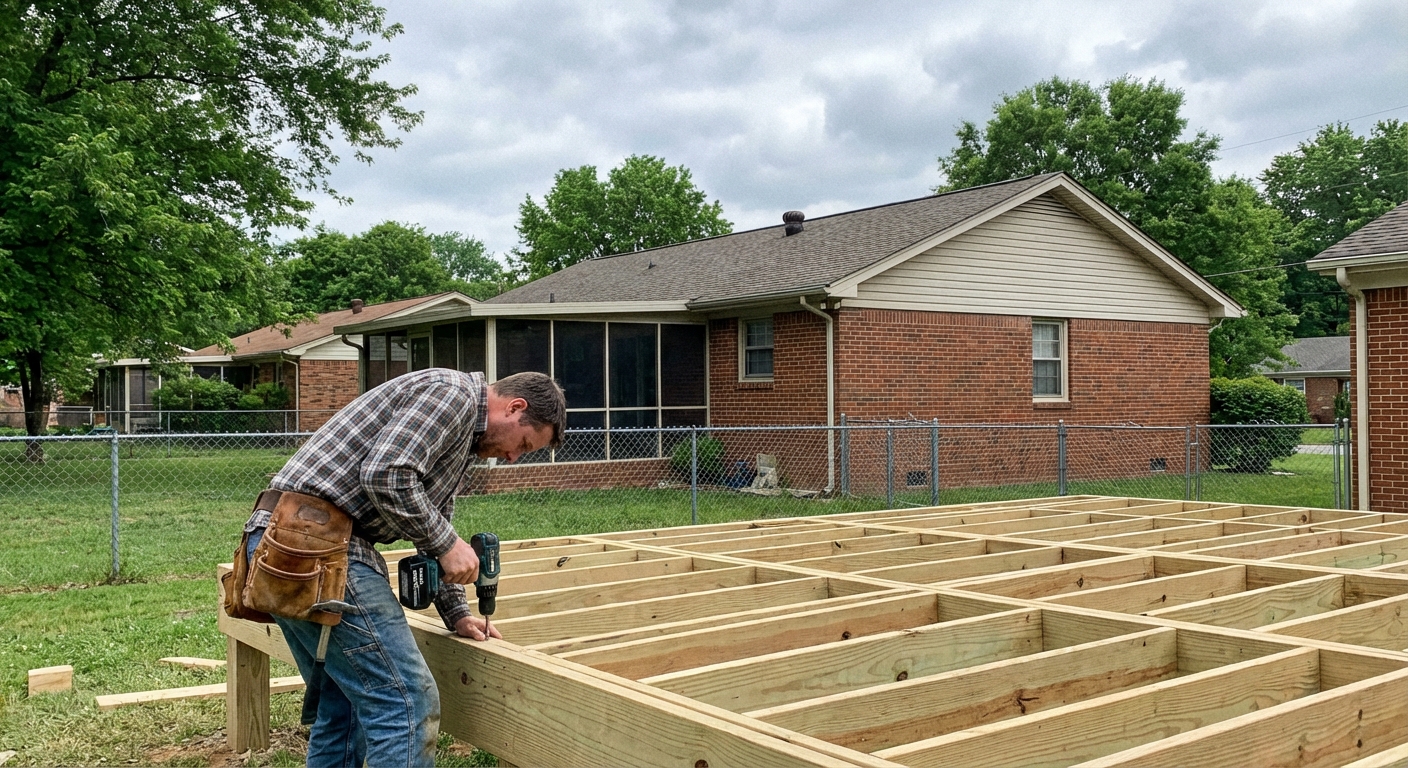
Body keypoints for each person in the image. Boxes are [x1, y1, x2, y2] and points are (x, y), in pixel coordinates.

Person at [241, 369, 565, 767]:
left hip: (289, 539)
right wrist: (448, 545)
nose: (513, 457)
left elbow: (430, 524)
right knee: (406, 702)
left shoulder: (460, 438)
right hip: (317, 543)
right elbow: (386, 474)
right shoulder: (453, 395)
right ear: (515, 408)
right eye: (524, 444)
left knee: (344, 702)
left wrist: (458, 612)